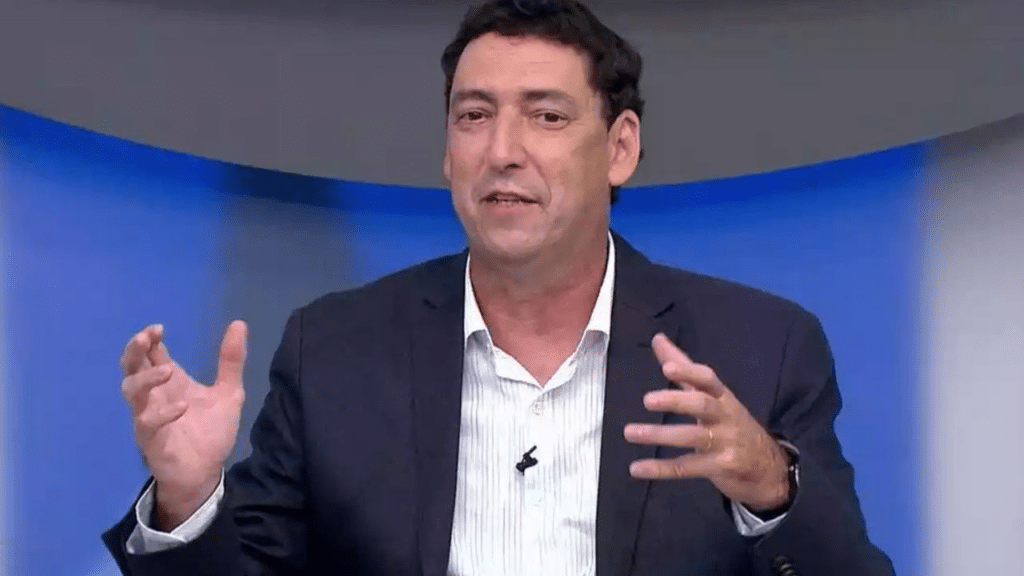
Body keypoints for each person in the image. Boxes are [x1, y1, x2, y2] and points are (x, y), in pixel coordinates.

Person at [103, 1, 895, 574]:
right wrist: (188, 501)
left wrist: (771, 488)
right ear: (448, 152)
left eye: (546, 117)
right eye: (474, 116)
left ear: (621, 148)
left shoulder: (758, 349)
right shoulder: (335, 350)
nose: (502, 150)